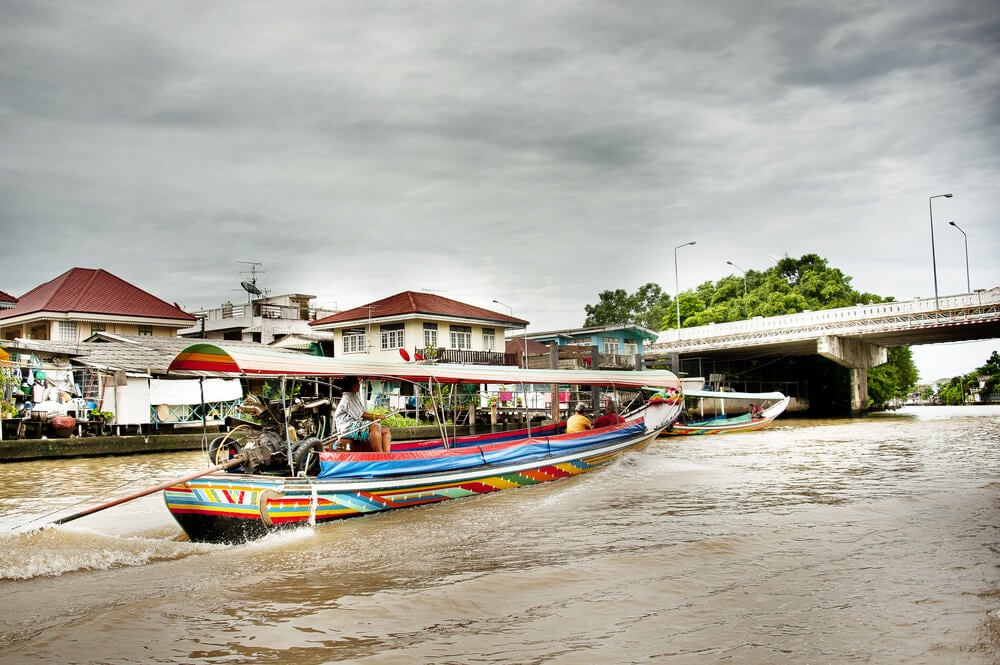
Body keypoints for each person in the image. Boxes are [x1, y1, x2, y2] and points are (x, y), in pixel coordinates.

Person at [334, 376, 392, 453]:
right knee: (374, 426)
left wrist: (374, 418)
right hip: (346, 428)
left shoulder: (353, 396)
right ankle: (379, 454)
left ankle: (386, 455)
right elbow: (361, 414)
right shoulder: (348, 398)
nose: (359, 385)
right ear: (354, 385)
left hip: (354, 425)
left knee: (385, 430)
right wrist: (377, 416)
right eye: (358, 383)